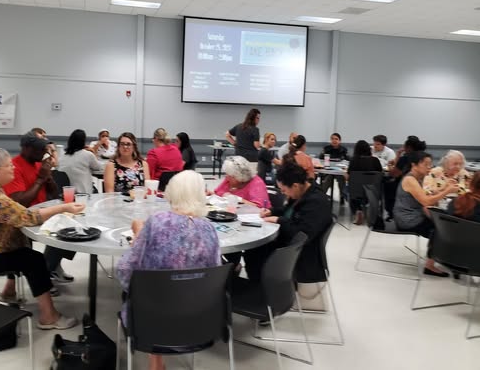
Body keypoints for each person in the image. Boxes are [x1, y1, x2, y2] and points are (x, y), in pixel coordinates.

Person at [0, 148, 84, 330]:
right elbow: (28, 217)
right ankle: (48, 317)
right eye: (8, 165)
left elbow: (15, 213)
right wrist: (64, 208)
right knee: (33, 259)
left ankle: (9, 290)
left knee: (19, 242)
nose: (13, 167)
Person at [116, 170, 220, 370]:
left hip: (152, 320)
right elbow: (214, 275)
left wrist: (137, 237)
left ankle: (156, 361)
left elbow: (126, 271)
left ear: (172, 192)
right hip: (199, 320)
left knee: (147, 289)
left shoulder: (156, 221)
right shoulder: (210, 230)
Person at [3, 132, 75, 287]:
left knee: (73, 227)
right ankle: (45, 275)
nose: (44, 152)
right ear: (26, 148)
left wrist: (48, 179)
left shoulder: (38, 164)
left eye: (45, 149)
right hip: (23, 218)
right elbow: (20, 202)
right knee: (63, 233)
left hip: (42, 213)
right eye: (40, 149)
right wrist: (40, 179)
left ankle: (51, 267)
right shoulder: (14, 167)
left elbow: (54, 194)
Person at [242, 162, 333, 283]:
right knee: (254, 250)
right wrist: (272, 212)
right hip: (290, 239)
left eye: (284, 190)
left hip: (299, 252)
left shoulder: (316, 202)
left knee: (254, 252)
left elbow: (301, 235)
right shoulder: (302, 192)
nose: (283, 193)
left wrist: (279, 220)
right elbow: (288, 210)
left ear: (295, 186)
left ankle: (261, 288)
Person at [393, 151, 459, 276]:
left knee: (444, 224)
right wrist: (447, 191)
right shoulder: (410, 180)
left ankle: (445, 259)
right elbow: (426, 201)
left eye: (430, 164)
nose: (429, 167)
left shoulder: (418, 178)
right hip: (407, 220)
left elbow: (424, 196)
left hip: (413, 215)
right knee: (441, 230)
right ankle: (431, 265)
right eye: (426, 164)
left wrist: (443, 189)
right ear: (414, 165)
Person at [384, 135, 427, 220]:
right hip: (422, 185)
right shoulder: (424, 157)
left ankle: (391, 212)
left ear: (409, 147)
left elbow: (394, 174)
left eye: (404, 146)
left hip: (404, 186)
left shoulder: (405, 158)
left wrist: (391, 165)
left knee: (387, 184)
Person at [347, 140, 382, 225]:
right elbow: (380, 174)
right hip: (372, 191)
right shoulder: (375, 160)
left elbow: (348, 176)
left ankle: (358, 210)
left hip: (356, 191)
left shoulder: (353, 161)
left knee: (348, 188)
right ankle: (373, 211)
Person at [58, 129, 101, 194]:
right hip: (84, 192)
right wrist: (94, 152)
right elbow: (98, 167)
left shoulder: (62, 156)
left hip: (67, 193)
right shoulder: (87, 155)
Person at [319, 133, 349, 204]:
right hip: (328, 170)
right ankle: (321, 196)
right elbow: (321, 158)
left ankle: (342, 196)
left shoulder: (343, 150)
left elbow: (347, 160)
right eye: (332, 139)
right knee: (328, 179)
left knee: (341, 179)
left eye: (336, 139)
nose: (334, 141)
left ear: (339, 141)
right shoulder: (326, 148)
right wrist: (323, 154)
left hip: (339, 171)